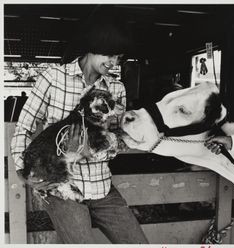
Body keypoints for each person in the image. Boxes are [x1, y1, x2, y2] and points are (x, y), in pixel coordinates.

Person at [10, 13, 148, 244]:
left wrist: (89, 151)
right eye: (110, 54)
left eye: (119, 57)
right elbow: (23, 128)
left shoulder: (116, 88)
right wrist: (24, 172)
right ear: (93, 45)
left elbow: (118, 141)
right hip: (61, 189)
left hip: (102, 187)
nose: (114, 63)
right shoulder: (53, 78)